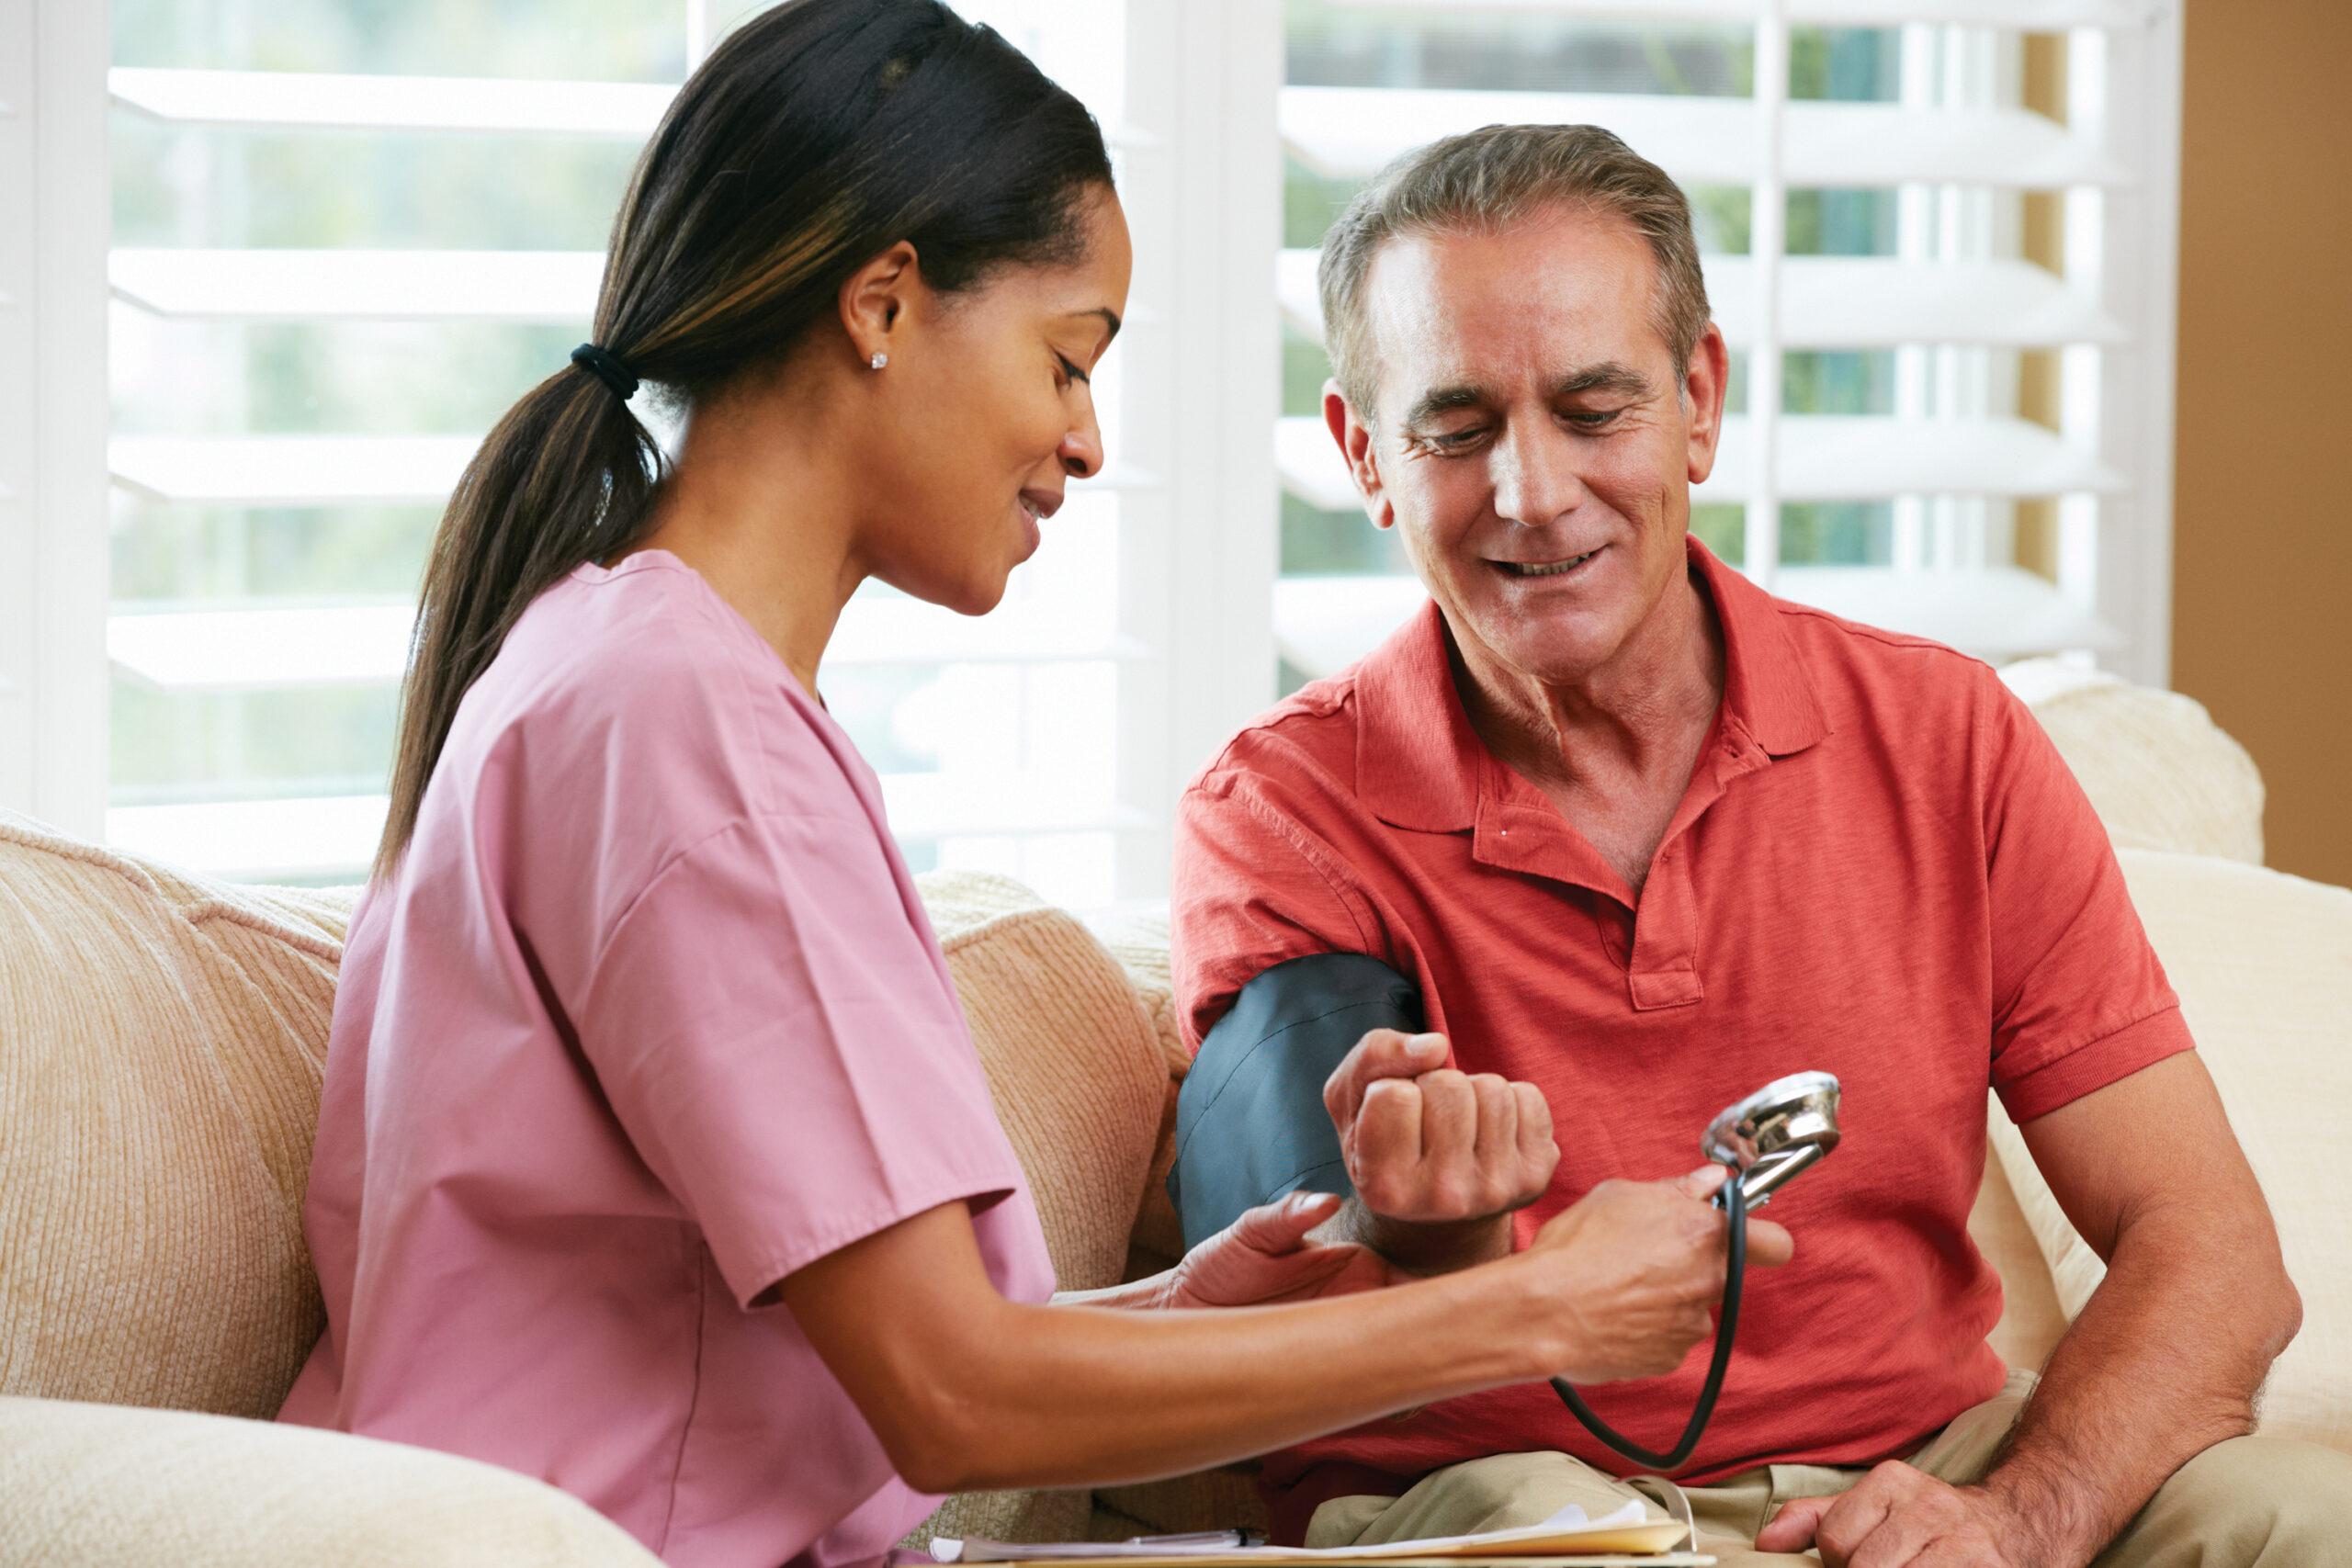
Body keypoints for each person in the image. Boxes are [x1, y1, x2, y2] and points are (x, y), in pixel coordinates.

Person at [275, 7, 1798, 1567]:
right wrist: (1526, 1305)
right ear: (884, 301)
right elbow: (953, 1401)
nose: (1083, 439)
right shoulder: (680, 725)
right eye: (1067, 358)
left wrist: (1171, 1318)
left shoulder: (632, 667)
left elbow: (836, 1350)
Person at [1168, 123, 2350, 1567]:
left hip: (1933, 1462)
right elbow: (1263, 1358)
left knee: (2305, 1516)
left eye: (1596, 410)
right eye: (1458, 427)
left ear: (1700, 402)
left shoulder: (1943, 736)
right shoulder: (1282, 811)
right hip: (1524, 1497)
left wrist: (2015, 1520)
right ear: (1365, 452)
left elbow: (2212, 1248)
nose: (1533, 493)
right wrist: (1432, 1242)